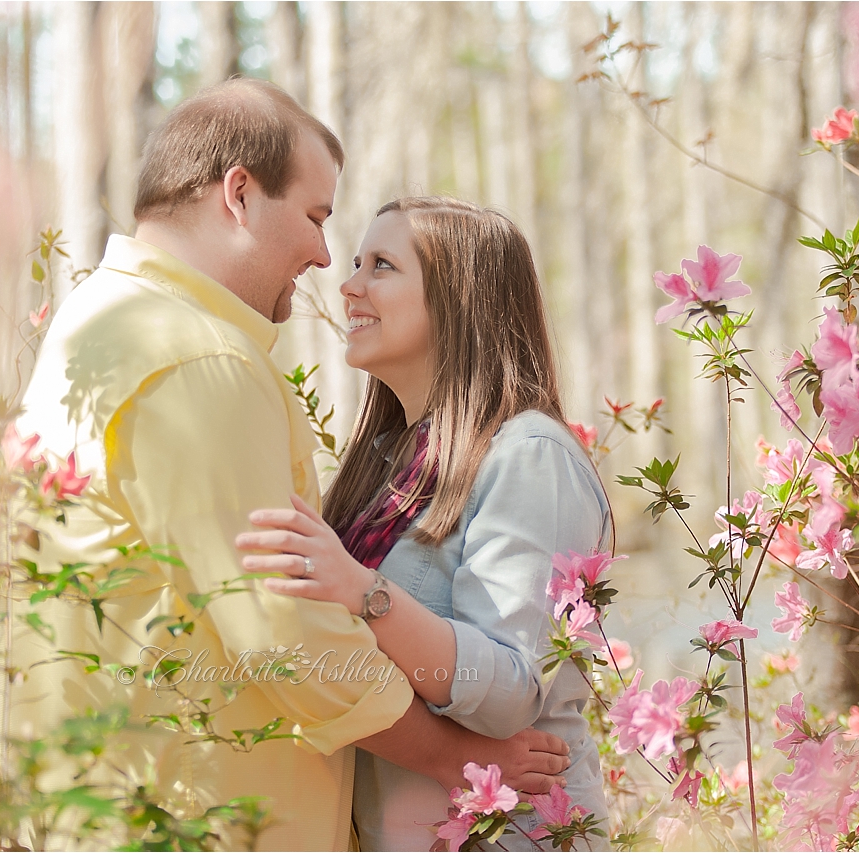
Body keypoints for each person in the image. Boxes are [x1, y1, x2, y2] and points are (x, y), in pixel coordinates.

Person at [0, 81, 568, 851]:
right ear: (239, 194)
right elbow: (280, 626)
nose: (326, 258)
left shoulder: (100, 324)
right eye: (316, 217)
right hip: (201, 817)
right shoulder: (195, 358)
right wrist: (449, 754)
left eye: (377, 261)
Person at [236, 197, 612, 850]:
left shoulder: (527, 455)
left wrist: (363, 592)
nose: (349, 284)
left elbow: (508, 691)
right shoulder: (386, 467)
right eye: (357, 262)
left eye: (382, 265)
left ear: (457, 301)